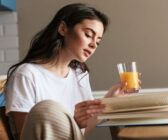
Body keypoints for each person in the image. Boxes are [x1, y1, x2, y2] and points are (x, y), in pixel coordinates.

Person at [4, 3, 126, 140]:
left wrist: (108, 100)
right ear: (63, 29)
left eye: (98, 42)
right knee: (46, 108)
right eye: (88, 34)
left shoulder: (80, 75)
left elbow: (80, 135)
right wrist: (72, 122)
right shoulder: (26, 75)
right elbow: (28, 135)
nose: (93, 45)